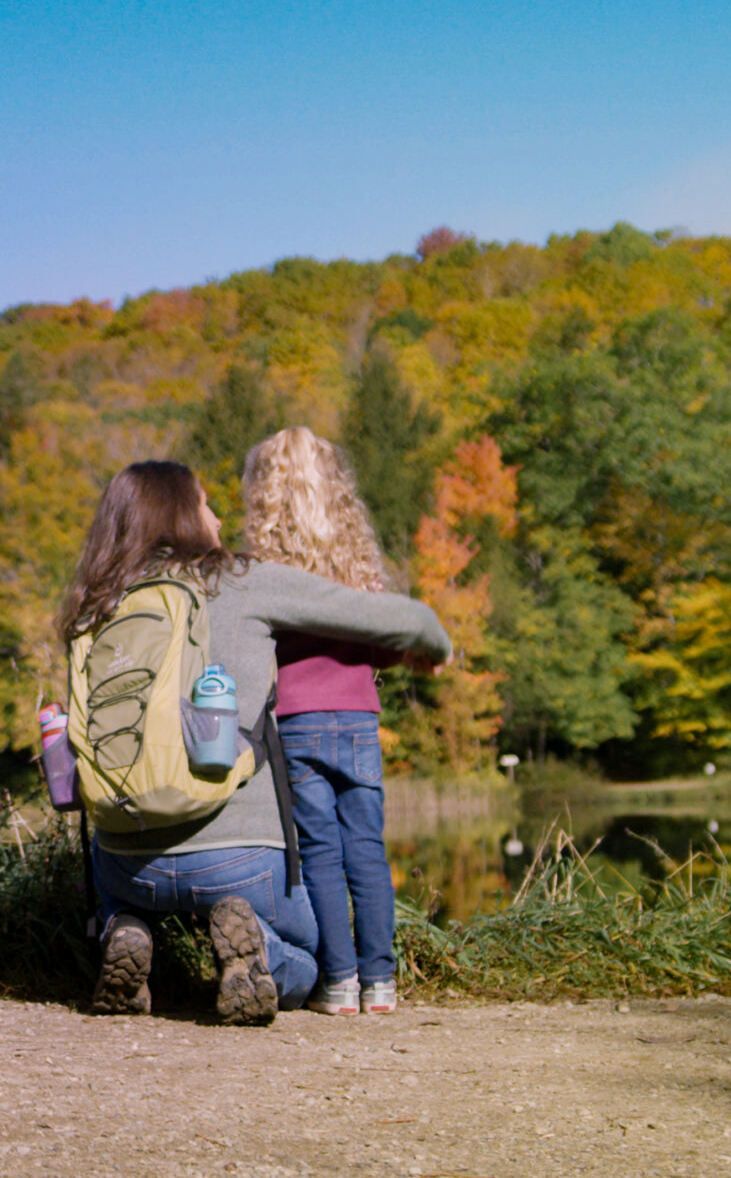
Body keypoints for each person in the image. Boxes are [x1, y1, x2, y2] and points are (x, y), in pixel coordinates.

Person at [63, 461, 448, 1023]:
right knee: (315, 964)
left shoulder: (97, 602)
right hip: (240, 856)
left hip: (126, 855)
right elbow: (381, 616)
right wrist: (436, 642)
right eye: (205, 504)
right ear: (183, 516)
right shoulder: (243, 578)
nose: (219, 517)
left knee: (124, 893)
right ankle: (262, 950)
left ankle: (126, 927)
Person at [239, 427, 430, 1014]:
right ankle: (382, 983)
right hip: (358, 716)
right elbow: (384, 637)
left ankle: (339, 982)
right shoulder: (356, 557)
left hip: (296, 717)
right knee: (367, 850)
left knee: (319, 850)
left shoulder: (263, 563)